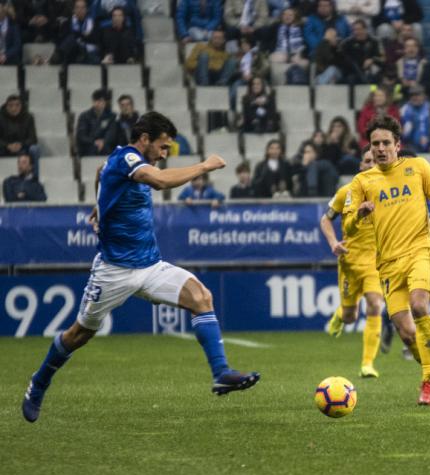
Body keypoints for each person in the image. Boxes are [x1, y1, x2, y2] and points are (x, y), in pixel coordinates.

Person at [21, 111, 260, 423]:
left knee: (201, 297)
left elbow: (99, 172)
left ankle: (221, 373)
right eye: (162, 147)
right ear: (144, 139)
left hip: (150, 266)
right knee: (79, 334)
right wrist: (204, 166)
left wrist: (100, 202)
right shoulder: (128, 159)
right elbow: (159, 181)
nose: (164, 153)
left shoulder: (119, 164)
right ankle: (37, 384)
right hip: (114, 270)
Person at [343, 115, 430, 405]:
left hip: (421, 249)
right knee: (406, 333)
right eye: (375, 144)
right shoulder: (361, 182)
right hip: (388, 263)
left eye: (385, 143)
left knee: (419, 305)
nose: (380, 149)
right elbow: (347, 227)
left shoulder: (417, 167)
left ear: (397, 144)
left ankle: (429, 382)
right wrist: (359, 216)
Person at [320, 145, 384, 378]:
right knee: (350, 316)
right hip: (348, 261)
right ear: (360, 166)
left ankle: (367, 364)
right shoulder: (345, 192)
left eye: (375, 162)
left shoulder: (386, 195)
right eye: (367, 161)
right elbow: (325, 220)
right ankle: (340, 314)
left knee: (375, 304)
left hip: (375, 263)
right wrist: (333, 242)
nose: (371, 165)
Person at [76, 89, 117, 157]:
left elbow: (111, 133)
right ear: (93, 101)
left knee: (109, 148)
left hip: (105, 146)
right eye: (96, 100)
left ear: (105, 102)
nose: (98, 103)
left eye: (101, 101)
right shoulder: (84, 116)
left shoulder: (111, 116)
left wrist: (103, 142)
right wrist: (94, 142)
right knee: (91, 149)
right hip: (88, 146)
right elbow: (81, 135)